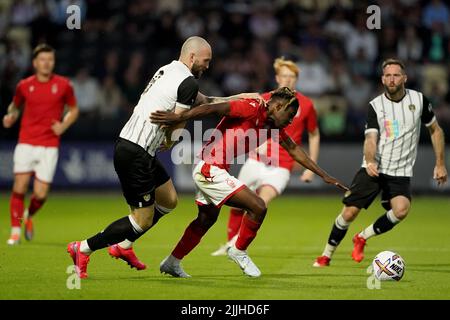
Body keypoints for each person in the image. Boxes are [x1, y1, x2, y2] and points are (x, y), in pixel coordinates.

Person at [66, 36, 262, 279]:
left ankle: (124, 246)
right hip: (135, 151)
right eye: (205, 61)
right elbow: (178, 121)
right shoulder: (187, 83)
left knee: (168, 200)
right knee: (142, 220)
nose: (207, 66)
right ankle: (82, 248)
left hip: (139, 148)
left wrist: (243, 97)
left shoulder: (168, 70)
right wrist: (170, 140)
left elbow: (208, 101)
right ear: (192, 57)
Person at [150, 86, 349, 278]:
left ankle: (172, 263)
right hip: (209, 169)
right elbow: (212, 108)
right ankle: (239, 251)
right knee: (258, 207)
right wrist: (179, 117)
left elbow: (294, 149)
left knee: (205, 220)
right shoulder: (251, 107)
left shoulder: (271, 127)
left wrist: (323, 175)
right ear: (278, 107)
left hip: (213, 169)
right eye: (289, 116)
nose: (290, 122)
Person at [313, 58, 448, 267]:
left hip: (400, 170)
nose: (391, 79)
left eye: (396, 75)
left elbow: (435, 130)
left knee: (401, 209)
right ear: (382, 79)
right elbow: (370, 138)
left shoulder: (419, 100)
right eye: (387, 75)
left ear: (404, 77)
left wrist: (440, 163)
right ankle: (326, 255)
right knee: (349, 212)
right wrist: (370, 160)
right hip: (375, 167)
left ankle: (362, 237)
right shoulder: (375, 106)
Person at [210, 57, 320, 256]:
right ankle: (230, 243)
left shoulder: (306, 105)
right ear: (277, 78)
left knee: (261, 202)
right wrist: (256, 143)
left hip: (281, 165)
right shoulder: (265, 99)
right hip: (256, 160)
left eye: (292, 77)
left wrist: (310, 167)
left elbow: (314, 134)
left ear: (297, 79)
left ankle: (235, 246)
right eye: (284, 76)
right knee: (237, 204)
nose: (288, 80)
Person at [2, 44, 79, 245]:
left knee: (41, 194)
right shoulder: (24, 85)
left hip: (49, 145)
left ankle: (28, 215)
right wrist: (10, 116)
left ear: (53, 62)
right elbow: (15, 106)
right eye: (42, 60)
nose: (46, 63)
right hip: (26, 142)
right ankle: (15, 231)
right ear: (35, 63)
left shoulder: (63, 85)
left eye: (50, 59)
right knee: (19, 187)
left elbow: (74, 109)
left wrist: (63, 125)